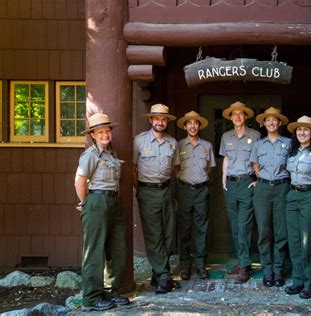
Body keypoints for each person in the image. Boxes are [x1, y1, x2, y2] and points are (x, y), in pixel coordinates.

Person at [74, 113, 130, 311]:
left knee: (118, 249)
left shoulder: (111, 153)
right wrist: (84, 203)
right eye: (100, 132)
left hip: (113, 202)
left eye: (107, 130)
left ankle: (110, 290)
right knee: (94, 251)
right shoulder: (90, 155)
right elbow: (80, 180)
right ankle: (91, 297)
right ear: (93, 135)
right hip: (97, 201)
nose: (105, 134)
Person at [133, 103, 181, 294]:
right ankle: (164, 277)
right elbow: (132, 168)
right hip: (147, 191)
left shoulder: (172, 142)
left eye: (163, 119)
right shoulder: (139, 141)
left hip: (167, 190)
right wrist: (142, 188)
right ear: (151, 120)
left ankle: (158, 273)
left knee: (168, 234)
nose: (160, 122)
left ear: (166, 122)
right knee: (154, 235)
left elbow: (175, 167)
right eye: (157, 119)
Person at [284, 115, 311, 299]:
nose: (302, 132)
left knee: (308, 242)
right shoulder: (292, 151)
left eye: (306, 130)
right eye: (299, 129)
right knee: (294, 241)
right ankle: (298, 280)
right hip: (292, 196)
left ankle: (310, 283)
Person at [219, 101, 261, 284]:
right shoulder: (226, 136)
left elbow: (260, 160)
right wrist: (222, 178)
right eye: (233, 114)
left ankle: (244, 265)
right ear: (230, 118)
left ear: (245, 116)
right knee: (235, 226)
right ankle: (242, 261)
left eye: (240, 114)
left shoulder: (256, 135)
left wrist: (258, 179)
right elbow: (226, 159)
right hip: (230, 185)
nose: (237, 117)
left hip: (247, 183)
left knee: (244, 226)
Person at [250, 107, 291, 288]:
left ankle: (278, 270)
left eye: (275, 120)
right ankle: (267, 270)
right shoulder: (259, 144)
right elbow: (255, 164)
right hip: (263, 190)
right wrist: (261, 179)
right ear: (264, 123)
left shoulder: (289, 143)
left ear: (279, 123)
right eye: (268, 120)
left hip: (283, 189)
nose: (271, 123)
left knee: (281, 233)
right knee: (264, 232)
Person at [174, 111, 216, 280]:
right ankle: (185, 265)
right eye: (189, 123)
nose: (192, 126)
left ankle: (200, 265)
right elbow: (175, 168)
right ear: (185, 126)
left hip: (201, 190)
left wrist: (199, 179)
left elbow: (209, 168)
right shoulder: (178, 145)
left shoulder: (207, 145)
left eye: (196, 123)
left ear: (200, 126)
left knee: (201, 228)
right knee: (184, 228)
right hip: (184, 190)